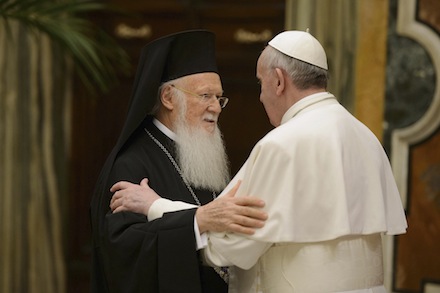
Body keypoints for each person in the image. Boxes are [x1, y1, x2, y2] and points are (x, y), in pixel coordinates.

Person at [110, 30, 408, 293]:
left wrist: (156, 206)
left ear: (279, 81)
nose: (261, 97)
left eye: (260, 83)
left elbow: (230, 246)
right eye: (205, 95)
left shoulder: (282, 144)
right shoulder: (366, 135)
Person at [89, 30, 268, 293]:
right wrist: (196, 221)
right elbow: (123, 250)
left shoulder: (205, 158)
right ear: (168, 98)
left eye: (219, 98)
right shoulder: (132, 165)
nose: (216, 107)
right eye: (205, 96)